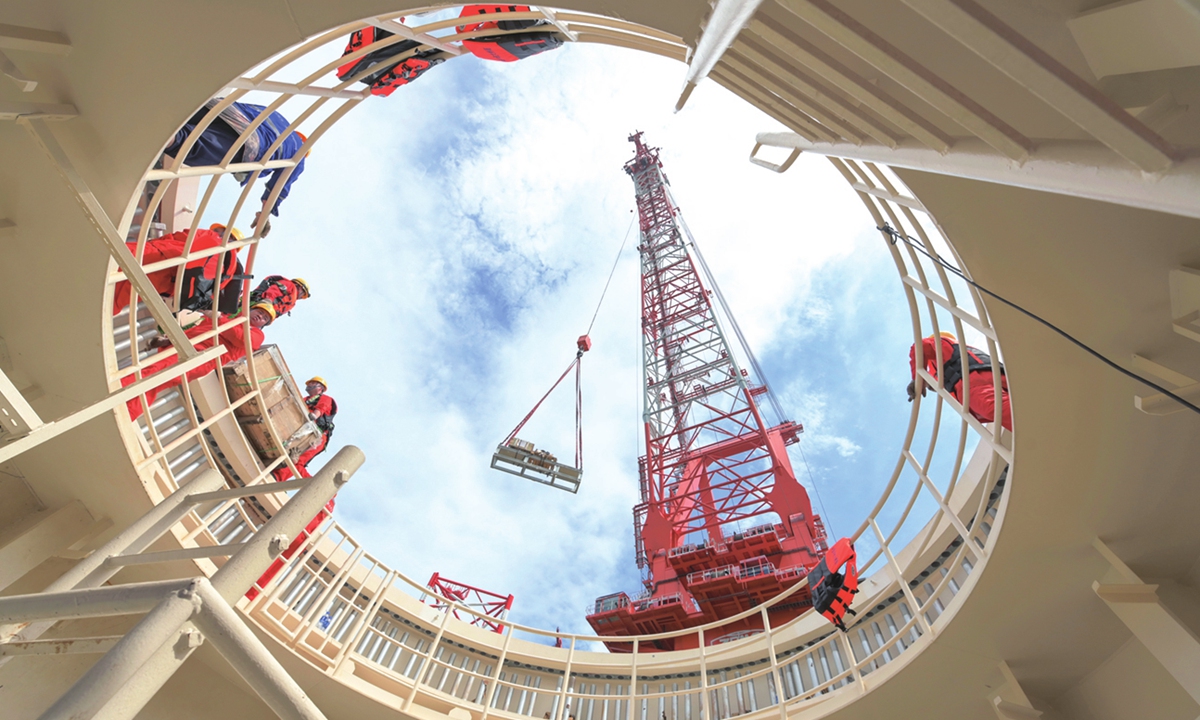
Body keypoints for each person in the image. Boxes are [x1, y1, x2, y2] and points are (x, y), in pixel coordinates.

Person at [124, 304, 274, 421]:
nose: (260, 316)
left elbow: (238, 337)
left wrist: (218, 317)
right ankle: (126, 409)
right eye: (259, 312)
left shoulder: (256, 335)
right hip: (186, 350)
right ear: (250, 309)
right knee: (153, 379)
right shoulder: (228, 320)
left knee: (154, 374)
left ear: (263, 325)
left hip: (199, 358)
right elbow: (197, 332)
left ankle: (121, 395)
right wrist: (167, 341)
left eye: (265, 318)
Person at [162, 100, 308, 219]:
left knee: (176, 118)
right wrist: (265, 215)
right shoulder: (299, 153)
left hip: (226, 108)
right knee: (186, 143)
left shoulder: (279, 117)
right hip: (250, 141)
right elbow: (279, 187)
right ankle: (158, 135)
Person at [114, 224, 244, 314]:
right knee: (116, 298)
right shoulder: (227, 271)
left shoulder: (210, 236)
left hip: (154, 256)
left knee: (111, 260)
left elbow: (175, 237)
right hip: (163, 283)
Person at [908, 332, 1011, 431]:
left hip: (971, 381)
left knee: (995, 409)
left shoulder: (938, 344)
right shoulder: (958, 347)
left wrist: (917, 378)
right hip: (996, 375)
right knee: (1010, 406)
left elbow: (920, 347)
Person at [272, 376, 337, 482]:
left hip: (317, 437)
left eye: (312, 383)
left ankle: (278, 477)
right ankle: (275, 474)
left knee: (298, 460)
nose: (308, 386)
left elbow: (322, 407)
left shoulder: (326, 398)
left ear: (320, 387)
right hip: (302, 431)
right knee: (291, 453)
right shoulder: (305, 400)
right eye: (309, 384)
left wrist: (315, 415)